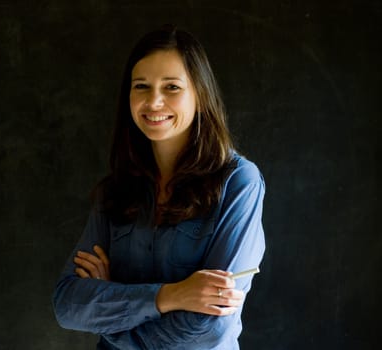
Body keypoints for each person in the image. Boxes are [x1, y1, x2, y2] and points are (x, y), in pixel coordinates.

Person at [52, 25, 265, 350]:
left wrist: (111, 312)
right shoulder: (115, 189)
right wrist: (170, 296)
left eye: (172, 87)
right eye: (141, 86)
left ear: (200, 95)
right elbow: (68, 304)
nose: (154, 101)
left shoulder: (238, 183)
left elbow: (212, 325)